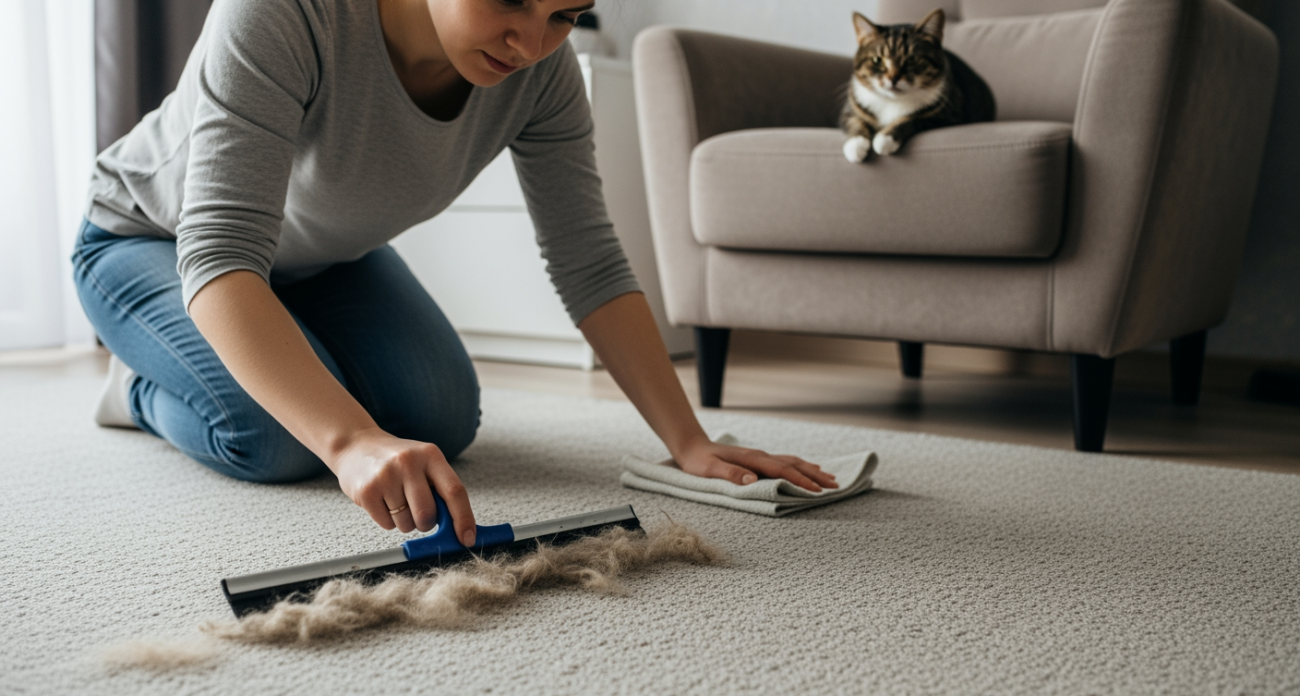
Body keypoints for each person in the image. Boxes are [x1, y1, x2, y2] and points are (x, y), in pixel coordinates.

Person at [72, 0, 838, 547]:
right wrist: (347, 442)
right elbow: (221, 253)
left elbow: (588, 257)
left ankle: (279, 355)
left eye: (566, 14)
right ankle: (139, 388)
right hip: (148, 241)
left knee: (438, 418)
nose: (532, 42)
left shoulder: (543, 76)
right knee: (277, 442)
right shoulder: (282, 12)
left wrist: (689, 441)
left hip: (323, 259)